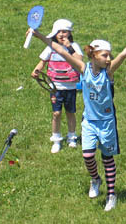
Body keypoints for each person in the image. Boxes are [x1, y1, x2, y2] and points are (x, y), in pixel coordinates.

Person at [28, 26, 126, 211]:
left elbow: (123, 54)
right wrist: (38, 35)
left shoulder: (109, 72)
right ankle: (95, 179)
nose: (108, 59)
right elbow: (59, 49)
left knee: (107, 158)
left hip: (107, 122)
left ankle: (111, 194)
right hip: (89, 121)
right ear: (93, 55)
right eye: (104, 55)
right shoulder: (83, 69)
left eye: (109, 55)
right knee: (88, 155)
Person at [31, 19, 83, 154]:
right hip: (55, 86)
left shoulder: (74, 46)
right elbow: (43, 62)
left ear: (70, 33)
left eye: (64, 31)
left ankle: (72, 137)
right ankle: (56, 139)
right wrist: (37, 70)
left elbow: (79, 61)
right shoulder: (51, 47)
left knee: (70, 112)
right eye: (59, 31)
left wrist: (70, 47)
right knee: (56, 113)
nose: (61, 34)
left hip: (70, 86)